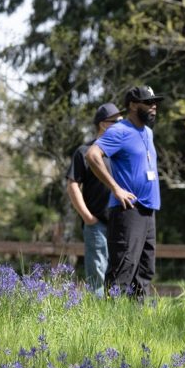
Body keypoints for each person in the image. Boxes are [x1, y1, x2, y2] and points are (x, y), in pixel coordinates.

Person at [86, 85, 164, 298]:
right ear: (132, 105)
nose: (153, 106)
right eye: (148, 102)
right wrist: (116, 189)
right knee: (122, 268)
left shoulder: (147, 132)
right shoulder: (119, 131)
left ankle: (135, 324)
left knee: (145, 271)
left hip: (149, 210)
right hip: (128, 210)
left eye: (154, 102)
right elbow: (93, 155)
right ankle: (111, 323)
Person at [66, 102, 123, 296]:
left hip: (121, 223)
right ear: (103, 124)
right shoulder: (84, 152)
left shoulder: (121, 153)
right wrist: (87, 217)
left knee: (120, 272)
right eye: (116, 121)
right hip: (97, 224)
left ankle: (116, 317)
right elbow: (73, 185)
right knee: (97, 274)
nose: (121, 124)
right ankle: (97, 319)